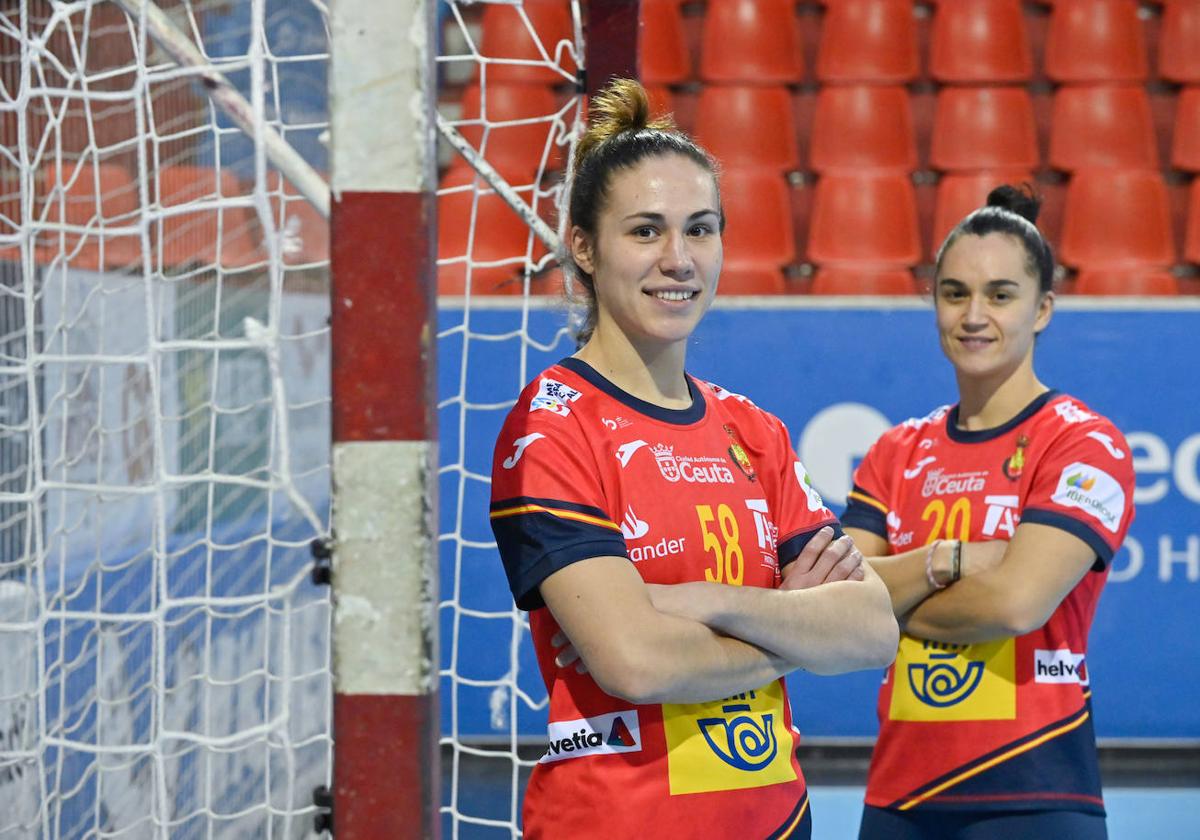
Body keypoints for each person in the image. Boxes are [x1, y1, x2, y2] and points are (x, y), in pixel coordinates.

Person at [489, 78, 898, 839]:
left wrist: (710, 600)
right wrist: (790, 629)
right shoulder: (552, 428)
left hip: (775, 821)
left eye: (700, 229)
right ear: (583, 245)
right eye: (645, 231)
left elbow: (872, 630)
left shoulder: (755, 432)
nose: (678, 259)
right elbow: (636, 663)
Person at [837, 185, 1136, 840]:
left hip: (1036, 792)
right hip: (898, 798)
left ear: (1043, 309)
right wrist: (956, 559)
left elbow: (1014, 605)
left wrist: (892, 597)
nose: (974, 315)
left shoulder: (1084, 444)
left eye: (1000, 295)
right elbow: (837, 602)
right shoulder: (894, 451)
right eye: (954, 294)